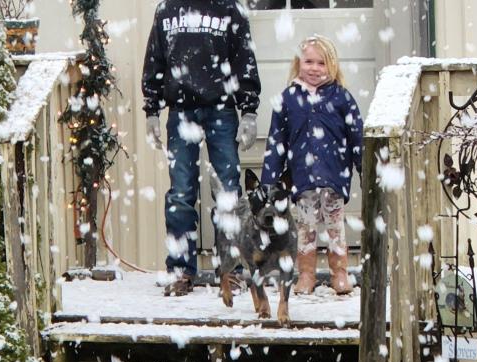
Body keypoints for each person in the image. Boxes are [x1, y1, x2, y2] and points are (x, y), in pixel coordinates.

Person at [142, 0, 261, 296]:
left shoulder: (230, 8)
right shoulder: (167, 9)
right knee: (181, 193)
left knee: (228, 193)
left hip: (222, 110)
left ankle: (230, 271)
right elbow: (155, 61)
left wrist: (248, 110)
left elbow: (243, 58)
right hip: (180, 111)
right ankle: (181, 271)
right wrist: (152, 110)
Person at [260, 35, 363, 295]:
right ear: (298, 63)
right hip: (303, 178)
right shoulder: (288, 98)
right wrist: (269, 180)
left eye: (321, 63)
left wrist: (365, 169)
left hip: (333, 176)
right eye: (308, 61)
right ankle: (306, 274)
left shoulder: (341, 98)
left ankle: (339, 273)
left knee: (335, 226)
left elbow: (357, 138)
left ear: (332, 66)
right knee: (306, 228)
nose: (314, 68)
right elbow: (277, 142)